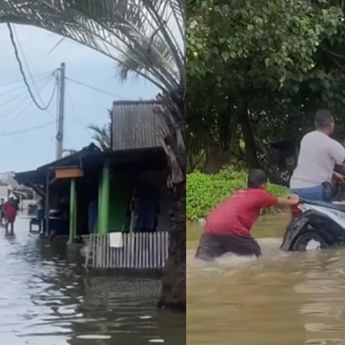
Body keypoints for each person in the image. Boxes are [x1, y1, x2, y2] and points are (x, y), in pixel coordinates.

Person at [195, 169, 299, 261]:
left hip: (210, 228)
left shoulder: (240, 192)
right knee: (255, 255)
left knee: (202, 261)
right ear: (263, 185)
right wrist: (297, 199)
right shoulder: (260, 194)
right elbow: (280, 202)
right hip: (232, 228)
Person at [290, 109, 345, 201]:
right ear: (331, 125)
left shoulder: (306, 138)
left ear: (316, 124)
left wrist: (334, 174)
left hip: (295, 188)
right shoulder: (330, 143)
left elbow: (313, 164)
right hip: (315, 190)